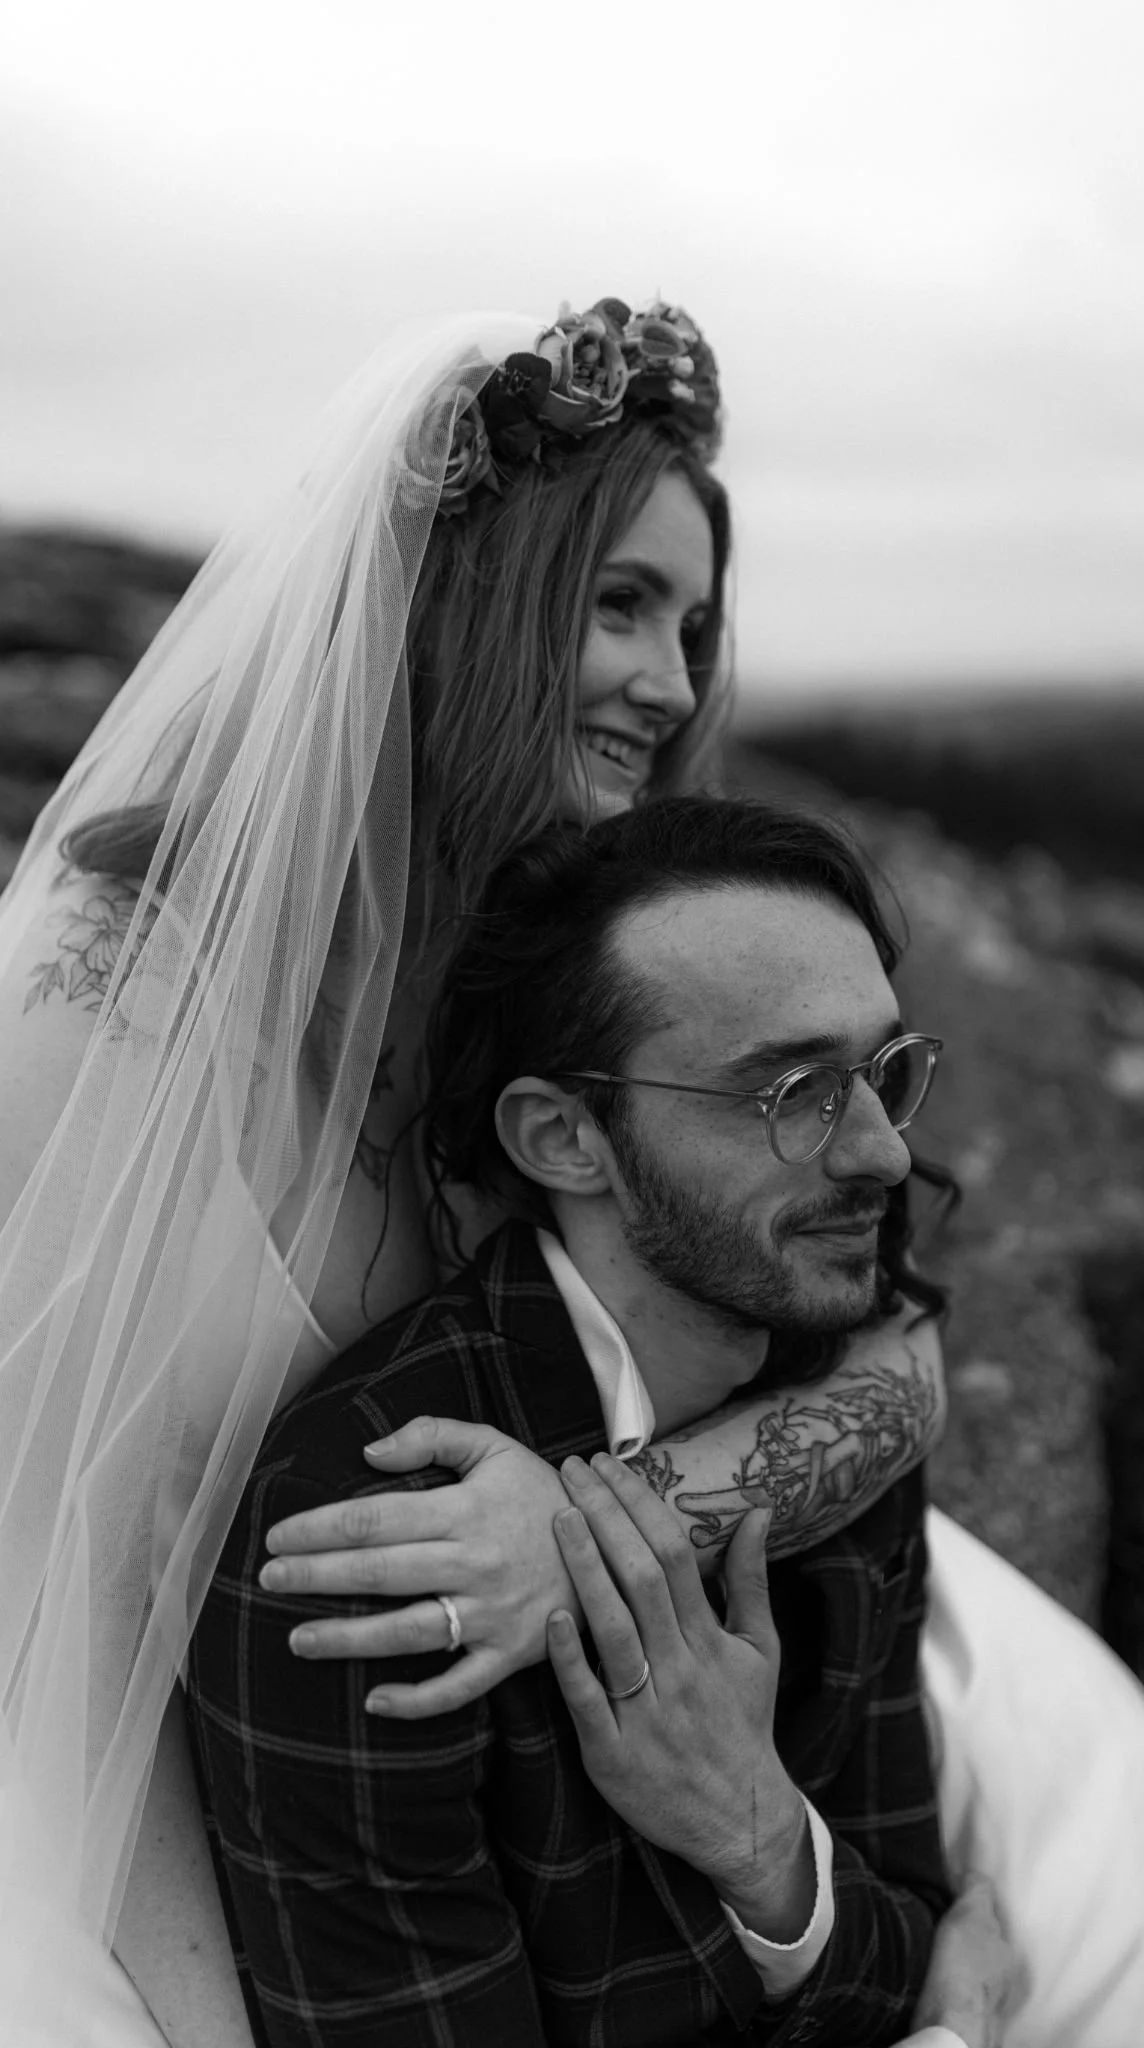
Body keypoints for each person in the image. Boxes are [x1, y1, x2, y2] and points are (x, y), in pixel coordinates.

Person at [0, 300, 950, 2045]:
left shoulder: (574, 964)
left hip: (506, 1716)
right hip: (138, 1751)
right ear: (475, 601)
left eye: (695, 625)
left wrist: (589, 1532)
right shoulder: (110, 1006)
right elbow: (69, 1591)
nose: (674, 684)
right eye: (620, 604)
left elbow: (899, 1357)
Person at [187, 794, 1009, 2048]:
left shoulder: (839, 1403)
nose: (884, 1155)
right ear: (566, 1136)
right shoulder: (376, 1540)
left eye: (886, 1073)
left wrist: (759, 1840)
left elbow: (916, 1929)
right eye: (791, 1089)